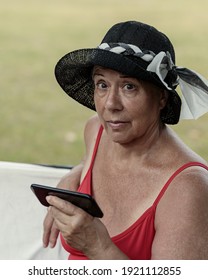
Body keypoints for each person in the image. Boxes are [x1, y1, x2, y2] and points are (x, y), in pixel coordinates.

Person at [42, 21, 208, 259]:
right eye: (102, 85)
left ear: (161, 97)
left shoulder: (188, 189)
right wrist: (74, 175)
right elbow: (91, 161)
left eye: (129, 86)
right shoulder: (96, 132)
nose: (110, 104)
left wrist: (98, 247)